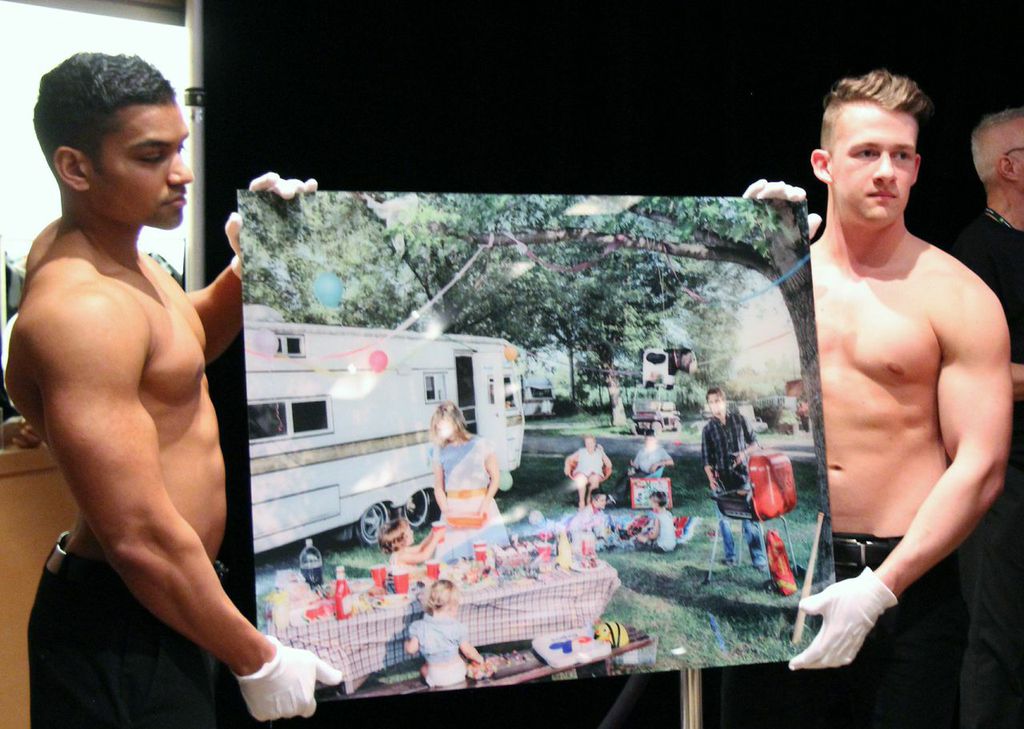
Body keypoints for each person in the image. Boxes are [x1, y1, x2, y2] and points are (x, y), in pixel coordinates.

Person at [4, 53, 338, 727]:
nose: (182, 173)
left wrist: (250, 263)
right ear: (76, 168)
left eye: (179, 148)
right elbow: (138, 536)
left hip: (163, 605)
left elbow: (182, 346)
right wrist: (258, 659)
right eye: (152, 156)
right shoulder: (82, 309)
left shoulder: (124, 259)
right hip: (122, 621)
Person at [723, 70, 1011, 729]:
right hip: (790, 573)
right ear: (823, 164)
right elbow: (717, 377)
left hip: (910, 587)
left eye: (901, 155)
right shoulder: (776, 283)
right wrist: (747, 255)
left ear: (917, 168)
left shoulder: (957, 294)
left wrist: (882, 587)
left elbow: (982, 465)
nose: (886, 171)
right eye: (866, 152)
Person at [951, 106, 1024, 729]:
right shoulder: (975, 253)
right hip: (1004, 483)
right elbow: (973, 375)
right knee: (999, 646)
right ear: (1010, 167)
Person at [430, 400, 510, 561]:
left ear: (456, 422)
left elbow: (495, 478)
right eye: (439, 429)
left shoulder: (482, 444)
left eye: (445, 427)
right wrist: (446, 511)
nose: (442, 433)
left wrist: (485, 505)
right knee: (456, 560)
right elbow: (438, 487)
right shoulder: (439, 451)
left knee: (487, 556)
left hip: (480, 505)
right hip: (454, 509)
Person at [700, 386, 767, 569]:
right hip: (721, 481)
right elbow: (706, 459)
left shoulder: (740, 419)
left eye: (717, 401)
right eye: (711, 402)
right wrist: (710, 477)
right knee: (723, 520)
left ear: (724, 401)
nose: (714, 405)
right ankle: (730, 557)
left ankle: (759, 559)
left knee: (750, 519)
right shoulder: (708, 429)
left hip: (743, 477)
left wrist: (743, 454)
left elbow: (756, 443)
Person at [405, 578, 487, 687]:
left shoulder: (419, 627)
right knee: (461, 658)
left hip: (436, 677)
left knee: (424, 668)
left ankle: (430, 681)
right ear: (451, 608)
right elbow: (468, 651)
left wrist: (406, 643)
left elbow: (411, 650)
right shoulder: (456, 627)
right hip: (458, 674)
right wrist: (479, 659)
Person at [564, 434, 613, 508]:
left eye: (590, 443)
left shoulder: (599, 452)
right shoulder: (581, 451)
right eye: (587, 443)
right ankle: (582, 502)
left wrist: (602, 452)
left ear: (594, 443)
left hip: (595, 474)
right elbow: (569, 459)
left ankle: (590, 501)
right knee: (581, 479)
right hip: (582, 472)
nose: (589, 445)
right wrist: (567, 467)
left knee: (595, 479)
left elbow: (609, 465)